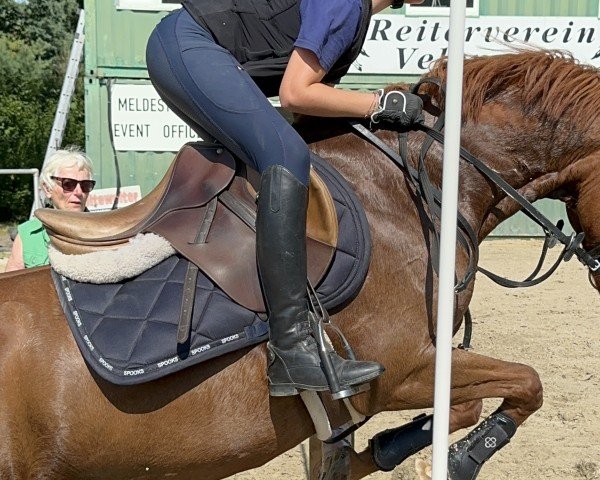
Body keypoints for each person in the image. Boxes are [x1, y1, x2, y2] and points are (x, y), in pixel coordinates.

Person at [145, 0, 425, 397]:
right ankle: (292, 349)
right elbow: (295, 94)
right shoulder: (346, 4)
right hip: (189, 44)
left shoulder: (353, 12)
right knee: (286, 154)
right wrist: (380, 104)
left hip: (182, 46)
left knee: (274, 155)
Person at [4, 148, 95, 272]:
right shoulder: (28, 235)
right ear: (47, 189)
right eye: (68, 184)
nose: (78, 192)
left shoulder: (102, 231)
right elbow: (12, 287)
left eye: (85, 185)